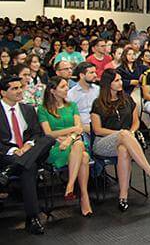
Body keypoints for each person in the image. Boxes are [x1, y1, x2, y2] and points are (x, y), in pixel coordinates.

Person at [91, 69, 150, 212]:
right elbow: (97, 130)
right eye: (116, 80)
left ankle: (123, 197)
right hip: (103, 142)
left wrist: (130, 133)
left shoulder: (127, 99)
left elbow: (136, 122)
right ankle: (149, 170)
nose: (120, 83)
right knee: (124, 135)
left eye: (120, 80)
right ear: (108, 84)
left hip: (126, 141)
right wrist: (122, 134)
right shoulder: (98, 103)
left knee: (124, 150)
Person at [0, 76, 56, 235]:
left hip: (28, 151)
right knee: (29, 168)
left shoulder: (28, 109)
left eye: (20, 87)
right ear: (3, 92)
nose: (20, 91)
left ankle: (10, 171)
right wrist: (13, 151)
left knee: (48, 139)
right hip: (7, 154)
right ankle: (32, 218)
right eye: (14, 88)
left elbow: (36, 134)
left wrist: (28, 145)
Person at [37, 77, 92, 217]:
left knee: (79, 145)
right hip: (55, 146)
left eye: (67, 86)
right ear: (52, 90)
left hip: (73, 142)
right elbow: (49, 133)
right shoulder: (43, 109)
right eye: (62, 87)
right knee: (84, 156)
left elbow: (79, 129)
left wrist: (69, 139)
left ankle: (71, 186)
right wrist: (72, 131)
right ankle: (83, 196)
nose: (67, 88)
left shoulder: (72, 106)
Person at [68, 62, 100, 135]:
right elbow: (70, 117)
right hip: (81, 129)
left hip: (99, 126)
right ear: (82, 75)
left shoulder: (98, 90)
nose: (95, 75)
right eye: (91, 73)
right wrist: (82, 127)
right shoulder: (71, 94)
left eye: (95, 72)